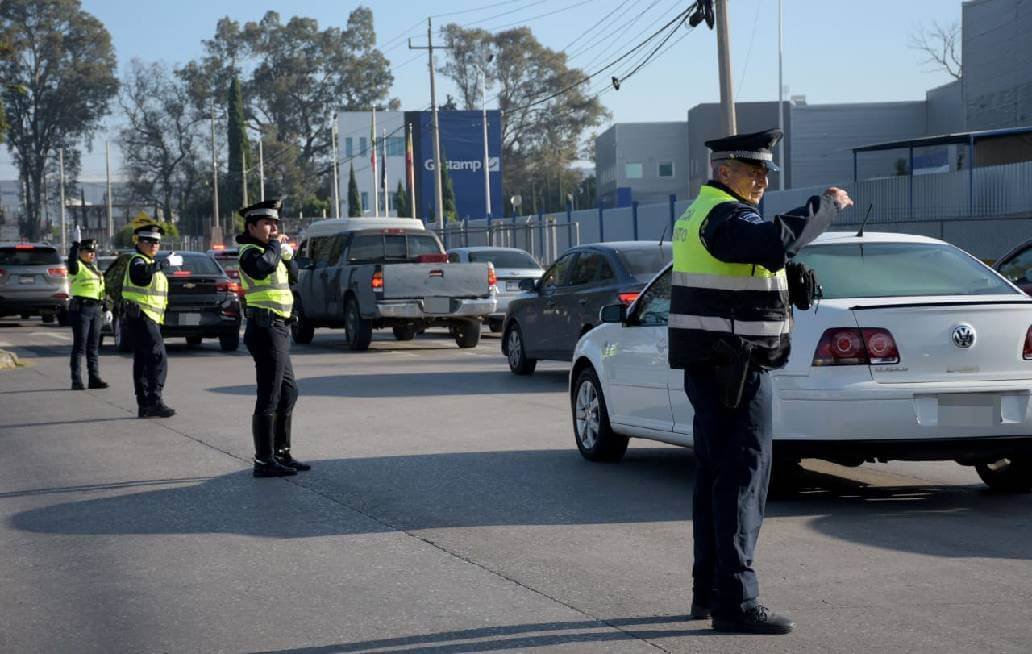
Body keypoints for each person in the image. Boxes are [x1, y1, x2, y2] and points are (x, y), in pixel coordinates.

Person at [668, 128, 853, 635]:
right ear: (723, 171)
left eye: (766, 173)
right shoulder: (725, 215)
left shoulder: (700, 214)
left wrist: (784, 278)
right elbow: (773, 240)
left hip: (716, 368)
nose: (762, 181)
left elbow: (746, 266)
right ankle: (736, 604)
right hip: (736, 370)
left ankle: (707, 594)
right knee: (742, 485)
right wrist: (827, 206)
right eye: (753, 172)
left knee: (715, 484)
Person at [236, 199, 309, 478]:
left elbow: (293, 278)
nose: (273, 228)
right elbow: (262, 267)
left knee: (288, 391)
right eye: (267, 223)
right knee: (270, 393)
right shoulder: (249, 252)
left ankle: (281, 453)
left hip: (279, 327)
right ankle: (264, 460)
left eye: (276, 223)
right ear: (252, 226)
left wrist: (289, 257)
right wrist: (277, 247)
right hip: (264, 327)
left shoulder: (273, 251)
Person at [123, 223, 179, 418]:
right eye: (150, 241)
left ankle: (145, 404)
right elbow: (140, 275)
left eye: (157, 242)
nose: (154, 245)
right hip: (142, 316)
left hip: (150, 317)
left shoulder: (149, 261)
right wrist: (160, 265)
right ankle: (154, 401)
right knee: (157, 357)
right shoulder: (138, 261)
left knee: (144, 360)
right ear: (139, 241)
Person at [66, 228, 111, 390]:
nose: (92, 254)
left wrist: (106, 308)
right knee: (80, 346)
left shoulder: (96, 270)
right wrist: (75, 244)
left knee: (93, 347)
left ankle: (94, 378)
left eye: (93, 252)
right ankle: (76, 380)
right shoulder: (76, 266)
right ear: (81, 252)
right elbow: (71, 261)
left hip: (96, 309)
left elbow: (101, 290)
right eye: (88, 251)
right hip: (81, 309)